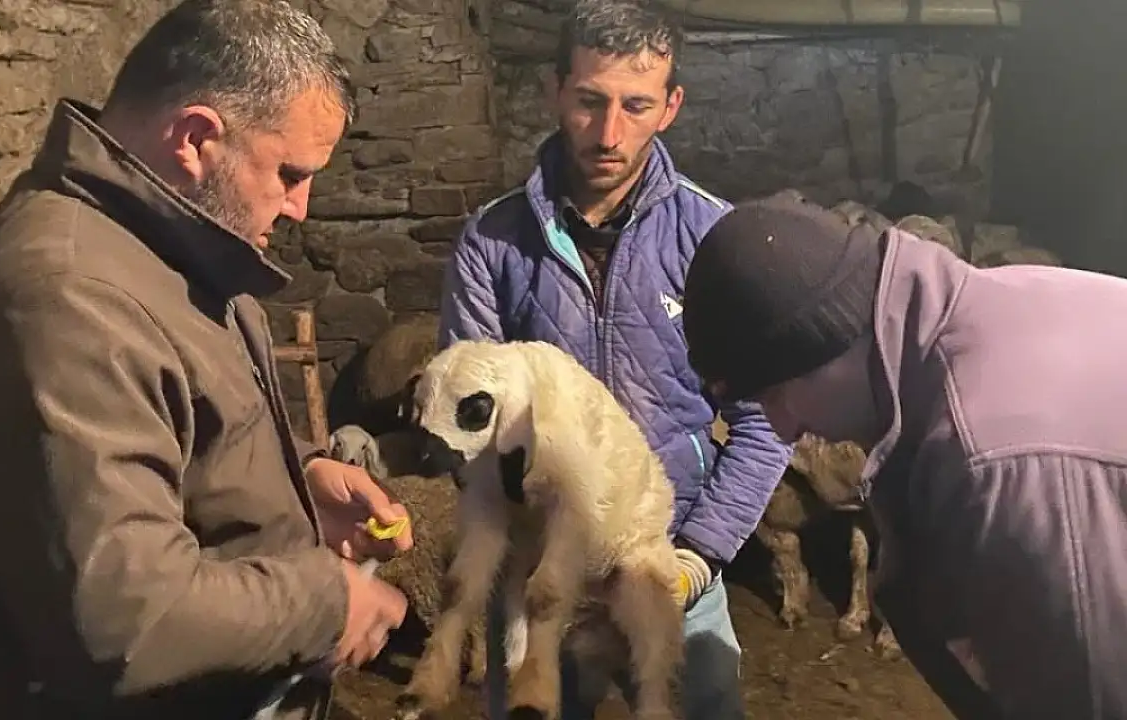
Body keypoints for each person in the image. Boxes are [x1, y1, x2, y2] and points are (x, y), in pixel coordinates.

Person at [0, 2, 412, 719]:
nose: (301, 207)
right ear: (196, 138)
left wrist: (301, 479)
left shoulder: (173, 247)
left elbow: (175, 429)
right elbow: (128, 618)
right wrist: (329, 602)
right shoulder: (71, 301)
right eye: (291, 173)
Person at [437, 2, 792, 718]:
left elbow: (767, 419)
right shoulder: (494, 244)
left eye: (636, 106)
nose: (609, 134)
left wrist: (696, 557)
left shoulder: (713, 239)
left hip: (668, 556)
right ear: (554, 91)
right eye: (589, 101)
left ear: (671, 106)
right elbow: (466, 422)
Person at [681, 197, 1127, 720]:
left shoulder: (996, 459)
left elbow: (1090, 699)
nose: (780, 427)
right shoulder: (999, 299)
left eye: (774, 395)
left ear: (822, 345)